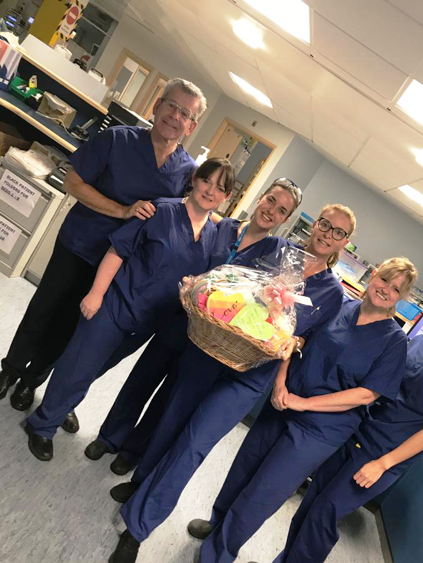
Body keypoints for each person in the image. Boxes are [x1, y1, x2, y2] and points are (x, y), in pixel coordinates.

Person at [106, 204, 358, 563]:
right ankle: (143, 484)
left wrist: (295, 342)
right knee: (171, 421)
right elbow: (226, 277)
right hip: (211, 347)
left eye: (338, 232)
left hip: (248, 376)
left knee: (194, 444)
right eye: (324, 224)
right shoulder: (275, 249)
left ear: (345, 243)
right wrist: (200, 285)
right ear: (313, 223)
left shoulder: (333, 294)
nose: (327, 234)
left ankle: (138, 528)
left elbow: (307, 341)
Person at [171, 256, 418, 563]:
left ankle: (213, 559)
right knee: (244, 469)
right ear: (373, 276)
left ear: (403, 298)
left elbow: (365, 395)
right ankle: (217, 523)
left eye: (396, 289)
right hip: (284, 401)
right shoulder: (342, 308)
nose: (386, 290)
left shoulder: (394, 341)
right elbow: (297, 341)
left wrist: (305, 403)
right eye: (384, 280)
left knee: (264, 492)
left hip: (319, 430)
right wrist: (281, 381)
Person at [238, 283, 423, 563]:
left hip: (384, 453)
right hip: (356, 430)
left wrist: (383, 463)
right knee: (311, 501)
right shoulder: (421, 340)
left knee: (326, 512)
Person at [0, 78, 206, 433]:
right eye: (171, 105)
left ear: (192, 125)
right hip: (81, 243)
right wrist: (122, 211)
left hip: (119, 268)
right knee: (46, 308)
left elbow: (186, 215)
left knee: (73, 328)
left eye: (185, 113)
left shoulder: (187, 172)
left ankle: (32, 380)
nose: (175, 116)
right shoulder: (119, 139)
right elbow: (73, 183)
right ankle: (12, 368)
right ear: (157, 106)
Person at [83, 179, 305, 472]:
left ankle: (133, 450)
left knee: (170, 396)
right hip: (178, 319)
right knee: (142, 378)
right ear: (261, 197)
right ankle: (110, 436)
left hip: (213, 340)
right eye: (271, 201)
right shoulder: (222, 227)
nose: (272, 211)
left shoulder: (276, 251)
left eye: (281, 210)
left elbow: (289, 285)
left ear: (285, 220)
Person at [23, 157, 234, 462]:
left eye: (220, 188)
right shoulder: (159, 210)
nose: (210, 190)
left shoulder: (214, 237)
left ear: (227, 198)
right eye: (206, 181)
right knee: (78, 365)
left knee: (97, 368)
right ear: (195, 180)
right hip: (115, 304)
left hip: (147, 322)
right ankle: (42, 424)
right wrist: (95, 294)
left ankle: (63, 404)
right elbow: (117, 250)